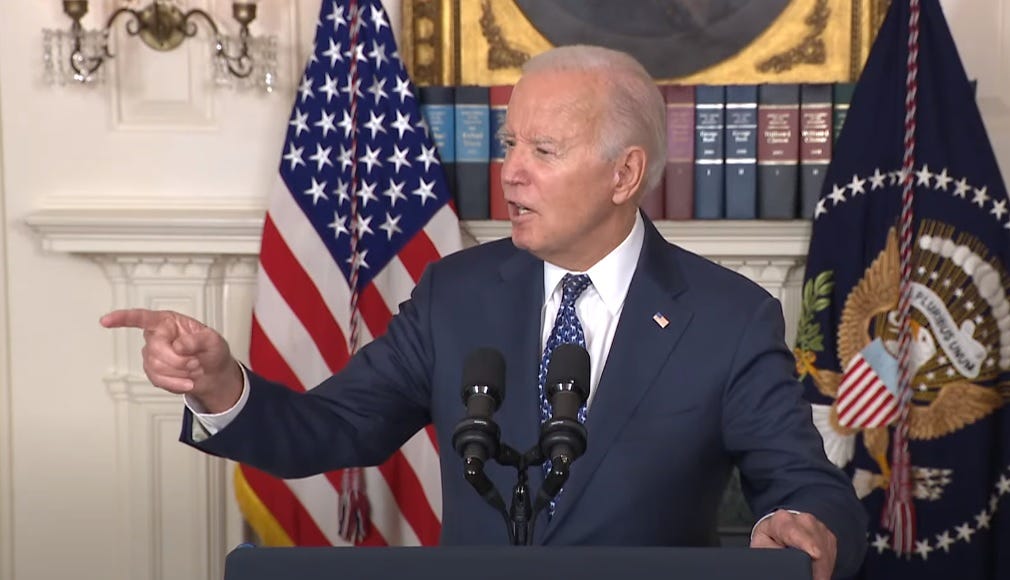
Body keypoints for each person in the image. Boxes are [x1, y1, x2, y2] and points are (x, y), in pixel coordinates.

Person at [101, 45, 866, 580]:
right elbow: (329, 429)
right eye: (509, 145)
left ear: (624, 173)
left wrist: (805, 525)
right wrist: (220, 383)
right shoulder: (453, 294)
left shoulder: (727, 317)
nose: (513, 172)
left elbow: (804, 481)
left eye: (544, 149)